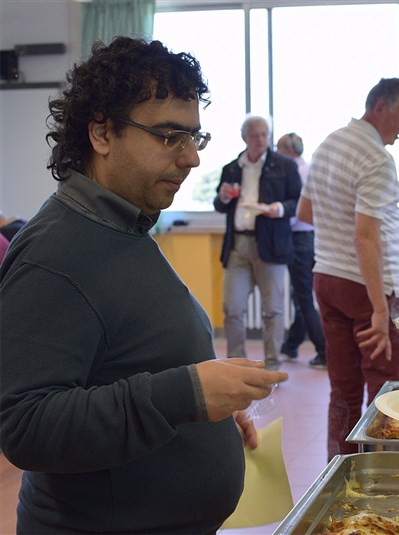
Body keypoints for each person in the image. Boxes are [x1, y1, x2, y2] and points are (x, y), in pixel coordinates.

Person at [0, 37, 288, 534]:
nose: (191, 159)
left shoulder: (123, 224)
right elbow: (27, 427)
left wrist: (203, 415)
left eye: (195, 137)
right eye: (169, 136)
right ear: (102, 133)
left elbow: (129, 363)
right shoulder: (55, 255)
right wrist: (184, 395)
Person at [297, 78, 399, 459]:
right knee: (386, 386)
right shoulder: (378, 159)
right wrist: (381, 308)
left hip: (327, 278)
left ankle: (340, 471)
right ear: (381, 107)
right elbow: (365, 237)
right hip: (368, 289)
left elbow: (305, 212)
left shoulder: (328, 144)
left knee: (343, 387)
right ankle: (385, 475)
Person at [214, 116, 302, 370]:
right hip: (238, 244)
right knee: (232, 308)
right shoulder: (231, 168)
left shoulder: (284, 165)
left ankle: (272, 367)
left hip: (271, 245)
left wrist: (279, 209)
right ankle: (236, 364)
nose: (261, 140)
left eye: (265, 134)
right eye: (255, 135)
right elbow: (220, 206)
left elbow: (298, 201)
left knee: (273, 310)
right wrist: (223, 198)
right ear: (244, 138)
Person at [276, 132, 327, 369]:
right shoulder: (309, 169)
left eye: (278, 149)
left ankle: (324, 350)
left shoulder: (292, 172)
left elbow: (295, 211)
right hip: (312, 237)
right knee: (301, 294)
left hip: (297, 238)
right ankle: (291, 344)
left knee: (304, 296)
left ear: (288, 151)